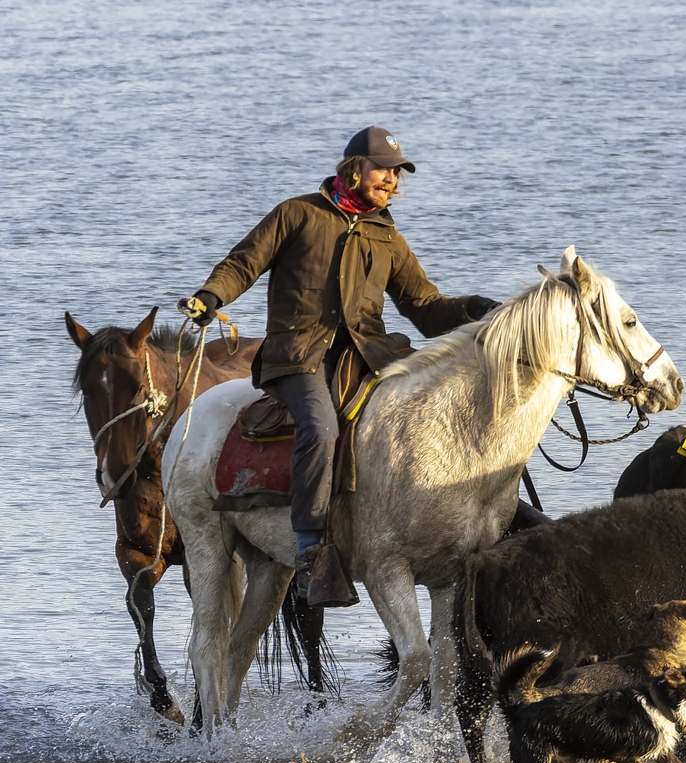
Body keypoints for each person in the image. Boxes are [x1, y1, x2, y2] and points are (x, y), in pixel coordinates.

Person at [179, 126, 495, 595]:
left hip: (366, 356)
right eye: (382, 169)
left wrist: (479, 309)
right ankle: (311, 547)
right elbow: (244, 263)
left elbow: (425, 306)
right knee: (321, 428)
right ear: (353, 168)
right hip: (298, 356)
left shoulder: (386, 235)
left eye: (396, 173)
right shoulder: (297, 213)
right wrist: (210, 296)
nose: (390, 179)